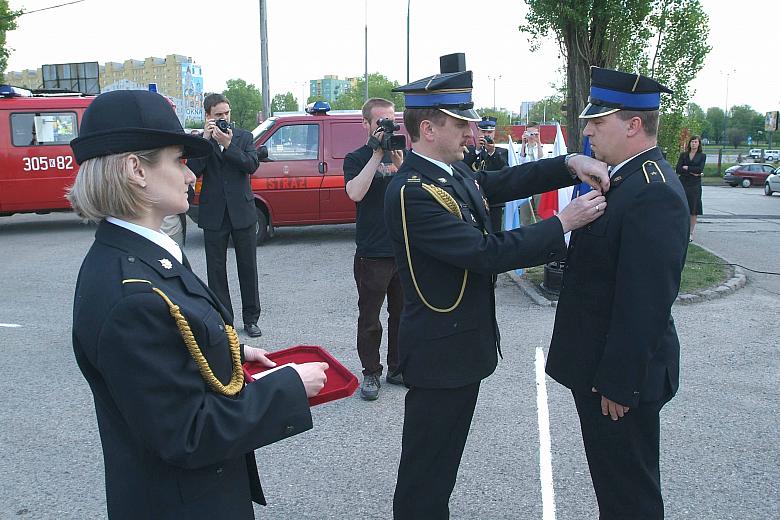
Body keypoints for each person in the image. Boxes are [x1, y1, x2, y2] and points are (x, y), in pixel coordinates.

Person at [67, 89, 328, 519]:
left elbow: (167, 346)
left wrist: (231, 351)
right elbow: (187, 432)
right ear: (137, 170)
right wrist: (288, 389)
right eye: (178, 160)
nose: (190, 176)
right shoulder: (129, 292)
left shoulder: (142, 252)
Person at [384, 55, 611, 519]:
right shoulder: (412, 191)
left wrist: (566, 163)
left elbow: (503, 181)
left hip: (459, 352)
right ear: (428, 129)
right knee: (425, 478)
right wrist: (561, 224)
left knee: (439, 470)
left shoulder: (450, 171)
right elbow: (485, 252)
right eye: (460, 123)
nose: (471, 133)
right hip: (439, 357)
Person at [546, 67, 689, 520]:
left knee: (630, 497)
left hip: (617, 380)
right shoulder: (622, 180)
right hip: (598, 367)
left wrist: (620, 383)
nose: (587, 129)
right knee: (614, 489)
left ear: (633, 125)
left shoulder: (654, 192)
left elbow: (645, 302)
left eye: (597, 121)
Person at [186, 93, 263, 338]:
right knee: (216, 271)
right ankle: (225, 319)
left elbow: (251, 165)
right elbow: (191, 172)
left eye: (226, 113)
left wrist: (229, 146)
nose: (224, 119)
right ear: (207, 116)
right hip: (214, 214)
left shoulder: (244, 137)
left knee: (248, 267)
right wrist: (207, 142)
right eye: (218, 115)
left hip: (242, 212)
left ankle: (251, 319)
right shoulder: (201, 141)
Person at [343, 97, 405, 400]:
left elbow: (417, 186)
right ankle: (371, 373)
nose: (385, 127)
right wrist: (376, 153)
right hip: (372, 252)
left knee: (403, 315)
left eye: (390, 121)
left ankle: (397, 367)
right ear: (365, 124)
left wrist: (397, 160)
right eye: (379, 122)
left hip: (403, 250)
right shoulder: (356, 158)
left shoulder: (403, 155)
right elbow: (355, 192)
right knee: (370, 318)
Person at [461, 116, 509, 231]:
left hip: (494, 200)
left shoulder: (501, 152)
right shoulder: (468, 150)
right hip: (473, 199)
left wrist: (492, 152)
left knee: (495, 232)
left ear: (494, 133)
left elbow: (505, 170)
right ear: (478, 132)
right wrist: (477, 150)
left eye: (490, 132)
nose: (487, 135)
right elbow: (463, 168)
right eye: (483, 131)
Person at [675, 135, 705, 241]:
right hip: (683, 183)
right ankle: (681, 230)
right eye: (692, 142)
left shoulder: (702, 156)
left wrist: (687, 168)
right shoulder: (684, 155)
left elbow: (700, 169)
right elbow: (678, 169)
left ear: (699, 144)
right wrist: (693, 171)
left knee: (693, 208)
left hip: (695, 185)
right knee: (682, 206)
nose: (693, 143)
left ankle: (691, 233)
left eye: (696, 142)